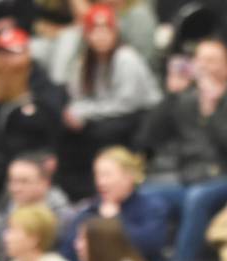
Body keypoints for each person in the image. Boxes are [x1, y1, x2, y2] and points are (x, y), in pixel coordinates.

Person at [135, 38, 227, 261]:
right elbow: (148, 139)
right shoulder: (186, 101)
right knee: (142, 195)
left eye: (211, 60)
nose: (204, 66)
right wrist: (171, 95)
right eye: (199, 60)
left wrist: (212, 114)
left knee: (198, 197)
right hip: (189, 181)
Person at [0, 28, 66, 216]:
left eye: (13, 53)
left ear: (27, 55)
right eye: (1, 53)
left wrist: (22, 98)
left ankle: (5, 221)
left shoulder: (46, 90)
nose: (6, 60)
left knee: (19, 176)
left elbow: (51, 125)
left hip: (31, 156)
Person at [57, 4, 162, 199]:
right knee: (67, 131)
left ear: (115, 32)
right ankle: (74, 189)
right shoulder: (84, 63)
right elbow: (77, 97)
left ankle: (103, 182)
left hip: (141, 114)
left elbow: (126, 103)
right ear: (87, 35)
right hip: (107, 113)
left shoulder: (126, 58)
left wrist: (86, 113)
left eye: (106, 30)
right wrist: (75, 113)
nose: (101, 36)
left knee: (100, 131)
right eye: (95, 31)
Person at [60, 147, 170, 261]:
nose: (101, 182)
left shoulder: (151, 207)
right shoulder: (89, 211)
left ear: (129, 176)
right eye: (98, 175)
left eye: (107, 175)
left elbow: (149, 245)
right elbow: (67, 255)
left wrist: (116, 220)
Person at [0, 152, 73, 261]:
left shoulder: (67, 221)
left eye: (24, 181)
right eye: (12, 181)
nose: (15, 188)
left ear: (45, 183)